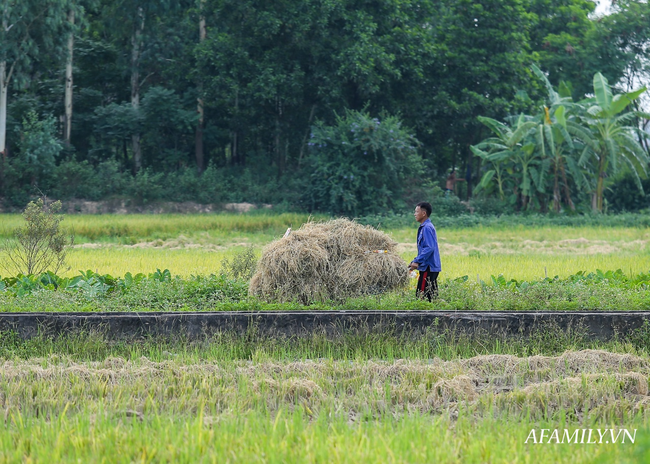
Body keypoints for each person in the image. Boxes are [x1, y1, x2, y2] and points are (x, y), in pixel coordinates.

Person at [408, 202, 441, 301]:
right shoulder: (426, 227)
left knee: (421, 297)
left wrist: (417, 261)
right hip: (429, 267)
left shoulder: (426, 228)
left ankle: (423, 316)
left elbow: (429, 248)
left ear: (423, 213)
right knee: (432, 297)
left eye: (416, 211)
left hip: (428, 267)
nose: (414, 214)